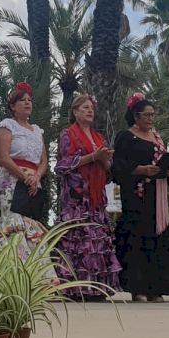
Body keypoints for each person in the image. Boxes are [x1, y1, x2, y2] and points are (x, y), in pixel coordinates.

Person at [112, 93, 169, 303]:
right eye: (147, 115)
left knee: (156, 240)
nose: (151, 119)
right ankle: (137, 287)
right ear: (136, 116)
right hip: (135, 196)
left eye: (153, 115)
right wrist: (141, 169)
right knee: (136, 240)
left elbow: (162, 162)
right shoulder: (126, 137)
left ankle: (155, 287)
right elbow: (118, 166)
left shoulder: (157, 137)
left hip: (156, 196)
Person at [55, 94, 120, 300]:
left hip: (96, 198)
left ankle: (96, 288)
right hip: (77, 198)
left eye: (91, 107)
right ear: (75, 112)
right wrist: (93, 156)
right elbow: (62, 165)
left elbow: (106, 167)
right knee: (78, 240)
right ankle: (74, 288)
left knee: (97, 241)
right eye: (85, 107)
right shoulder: (68, 134)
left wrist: (105, 159)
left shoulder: (98, 137)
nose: (90, 110)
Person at [0, 82, 51, 268]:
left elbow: (44, 161)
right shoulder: (7, 126)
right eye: (22, 100)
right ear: (13, 106)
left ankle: (34, 270)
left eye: (29, 100)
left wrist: (36, 177)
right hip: (11, 178)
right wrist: (24, 177)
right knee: (13, 218)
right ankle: (10, 267)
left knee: (30, 221)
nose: (27, 103)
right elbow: (3, 158)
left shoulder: (37, 131)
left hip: (33, 180)